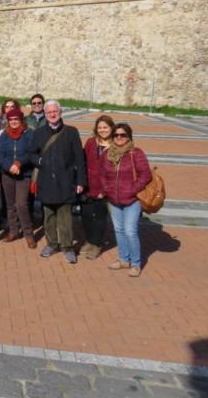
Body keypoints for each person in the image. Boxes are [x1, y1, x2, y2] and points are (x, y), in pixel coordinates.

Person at [30, 100, 86, 264]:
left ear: (60, 112)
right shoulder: (39, 133)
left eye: (55, 111)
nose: (52, 114)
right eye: (49, 112)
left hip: (66, 180)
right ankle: (52, 244)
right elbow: (31, 154)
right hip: (46, 180)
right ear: (45, 114)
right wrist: (40, 162)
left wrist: (80, 181)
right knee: (48, 215)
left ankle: (67, 247)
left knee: (65, 216)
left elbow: (79, 159)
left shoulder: (71, 132)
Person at [99, 123, 152, 277]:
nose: (119, 138)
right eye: (116, 135)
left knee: (130, 231)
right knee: (119, 230)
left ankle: (135, 263)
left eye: (123, 135)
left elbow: (145, 174)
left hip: (132, 200)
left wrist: (133, 190)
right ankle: (123, 259)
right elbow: (102, 174)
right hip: (114, 200)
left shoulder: (136, 153)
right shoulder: (108, 153)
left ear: (129, 136)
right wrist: (106, 189)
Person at [0, 108, 36, 248]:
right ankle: (13, 231)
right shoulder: (4, 135)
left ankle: (28, 234)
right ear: (8, 121)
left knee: (21, 204)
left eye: (16, 119)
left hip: (23, 174)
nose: (14, 122)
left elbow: (31, 152)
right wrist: (9, 167)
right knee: (10, 205)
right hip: (7, 175)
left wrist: (19, 163)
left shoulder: (29, 134)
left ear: (21, 120)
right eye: (11, 119)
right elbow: (0, 154)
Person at [81, 115, 115, 259]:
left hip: (104, 188)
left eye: (105, 127)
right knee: (86, 216)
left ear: (111, 128)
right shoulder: (90, 142)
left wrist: (105, 190)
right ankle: (89, 240)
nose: (102, 130)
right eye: (100, 127)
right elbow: (82, 161)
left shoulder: (115, 146)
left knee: (100, 217)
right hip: (88, 186)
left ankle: (96, 244)